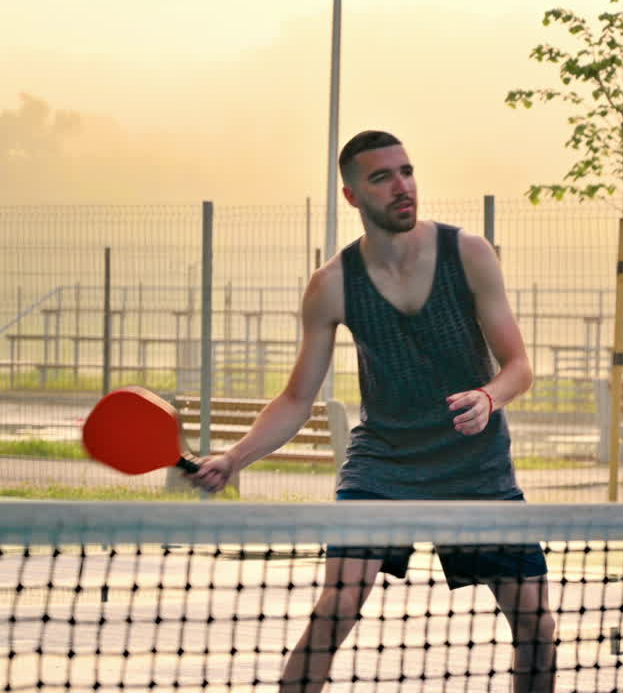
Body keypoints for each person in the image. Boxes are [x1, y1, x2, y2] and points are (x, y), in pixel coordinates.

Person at [188, 130, 556, 693]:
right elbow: (295, 399)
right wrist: (234, 458)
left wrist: (489, 397)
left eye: (406, 171)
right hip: (384, 464)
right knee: (338, 604)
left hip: (475, 466)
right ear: (353, 195)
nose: (402, 186)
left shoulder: (469, 253)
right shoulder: (332, 285)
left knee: (535, 623)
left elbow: (518, 365)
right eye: (382, 177)